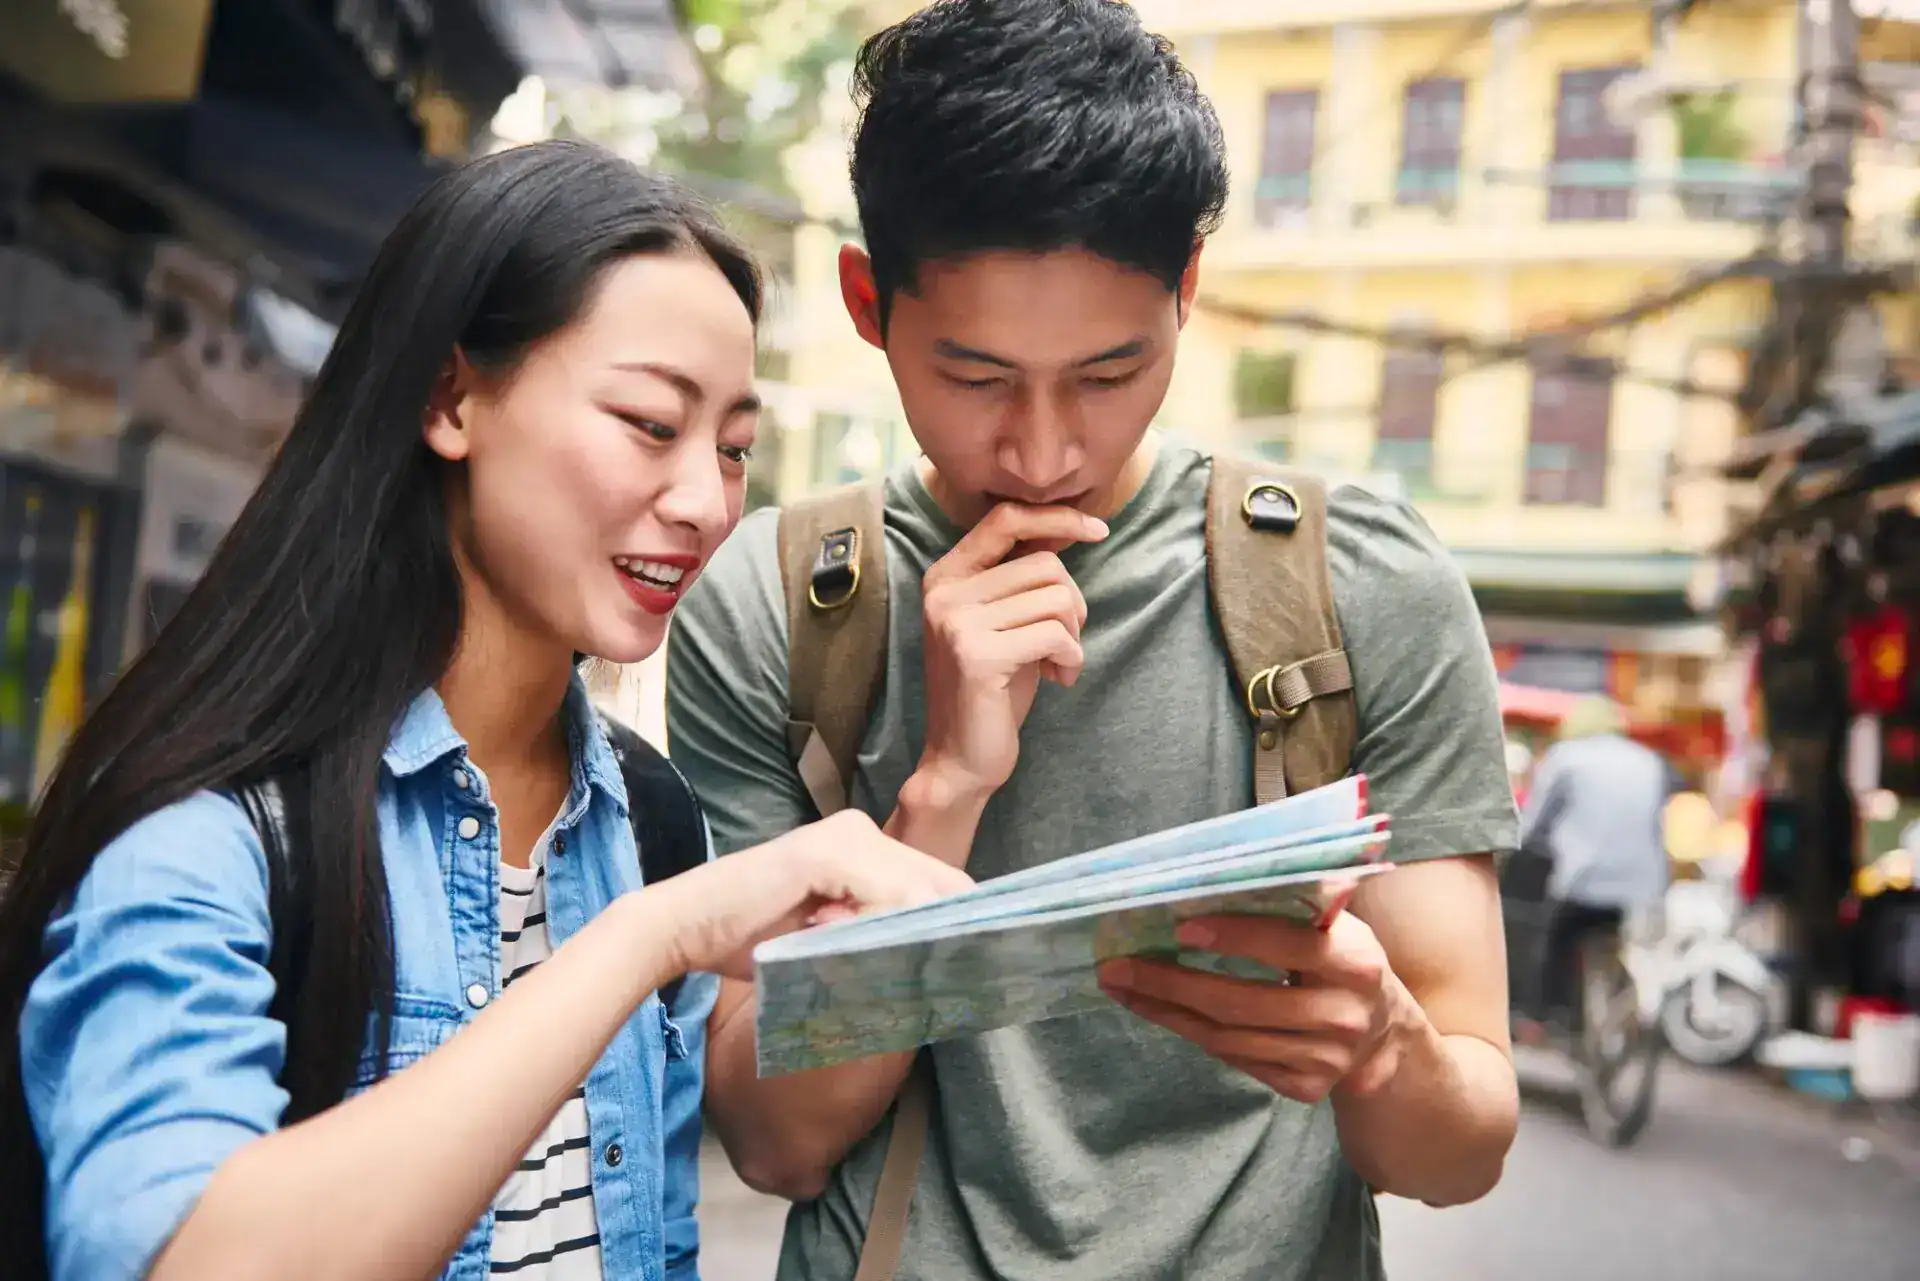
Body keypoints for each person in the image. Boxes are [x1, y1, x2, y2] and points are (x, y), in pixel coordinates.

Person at [0, 140, 971, 1281]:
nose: (707, 502)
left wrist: (947, 785)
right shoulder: (211, 826)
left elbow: (783, 1142)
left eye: (735, 448)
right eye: (652, 425)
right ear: (450, 398)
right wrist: (644, 941)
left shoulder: (643, 818)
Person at [665, 3, 1522, 1279]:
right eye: (977, 377)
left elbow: (1458, 1156)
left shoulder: (1359, 586)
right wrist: (945, 789)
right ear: (866, 301)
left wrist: (1385, 1047)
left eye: (1110, 374)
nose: (1047, 448)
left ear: (1185, 290)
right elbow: (774, 1144)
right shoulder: (778, 605)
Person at [1519, 696, 1675, 1024]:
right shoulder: (1649, 761)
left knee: (1555, 942)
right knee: (1619, 941)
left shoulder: (1567, 758)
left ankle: (1546, 1019)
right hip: (1642, 884)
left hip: (1583, 879)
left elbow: (1532, 823)